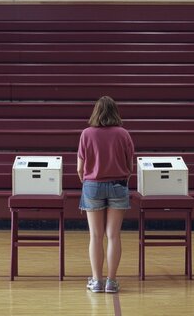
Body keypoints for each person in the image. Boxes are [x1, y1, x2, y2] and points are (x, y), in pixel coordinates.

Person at [77, 96, 134, 293]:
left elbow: (79, 168)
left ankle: (96, 281)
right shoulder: (124, 134)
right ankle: (111, 281)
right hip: (118, 184)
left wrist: (88, 181)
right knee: (113, 235)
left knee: (95, 235)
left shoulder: (86, 134)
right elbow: (129, 165)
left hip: (92, 185)